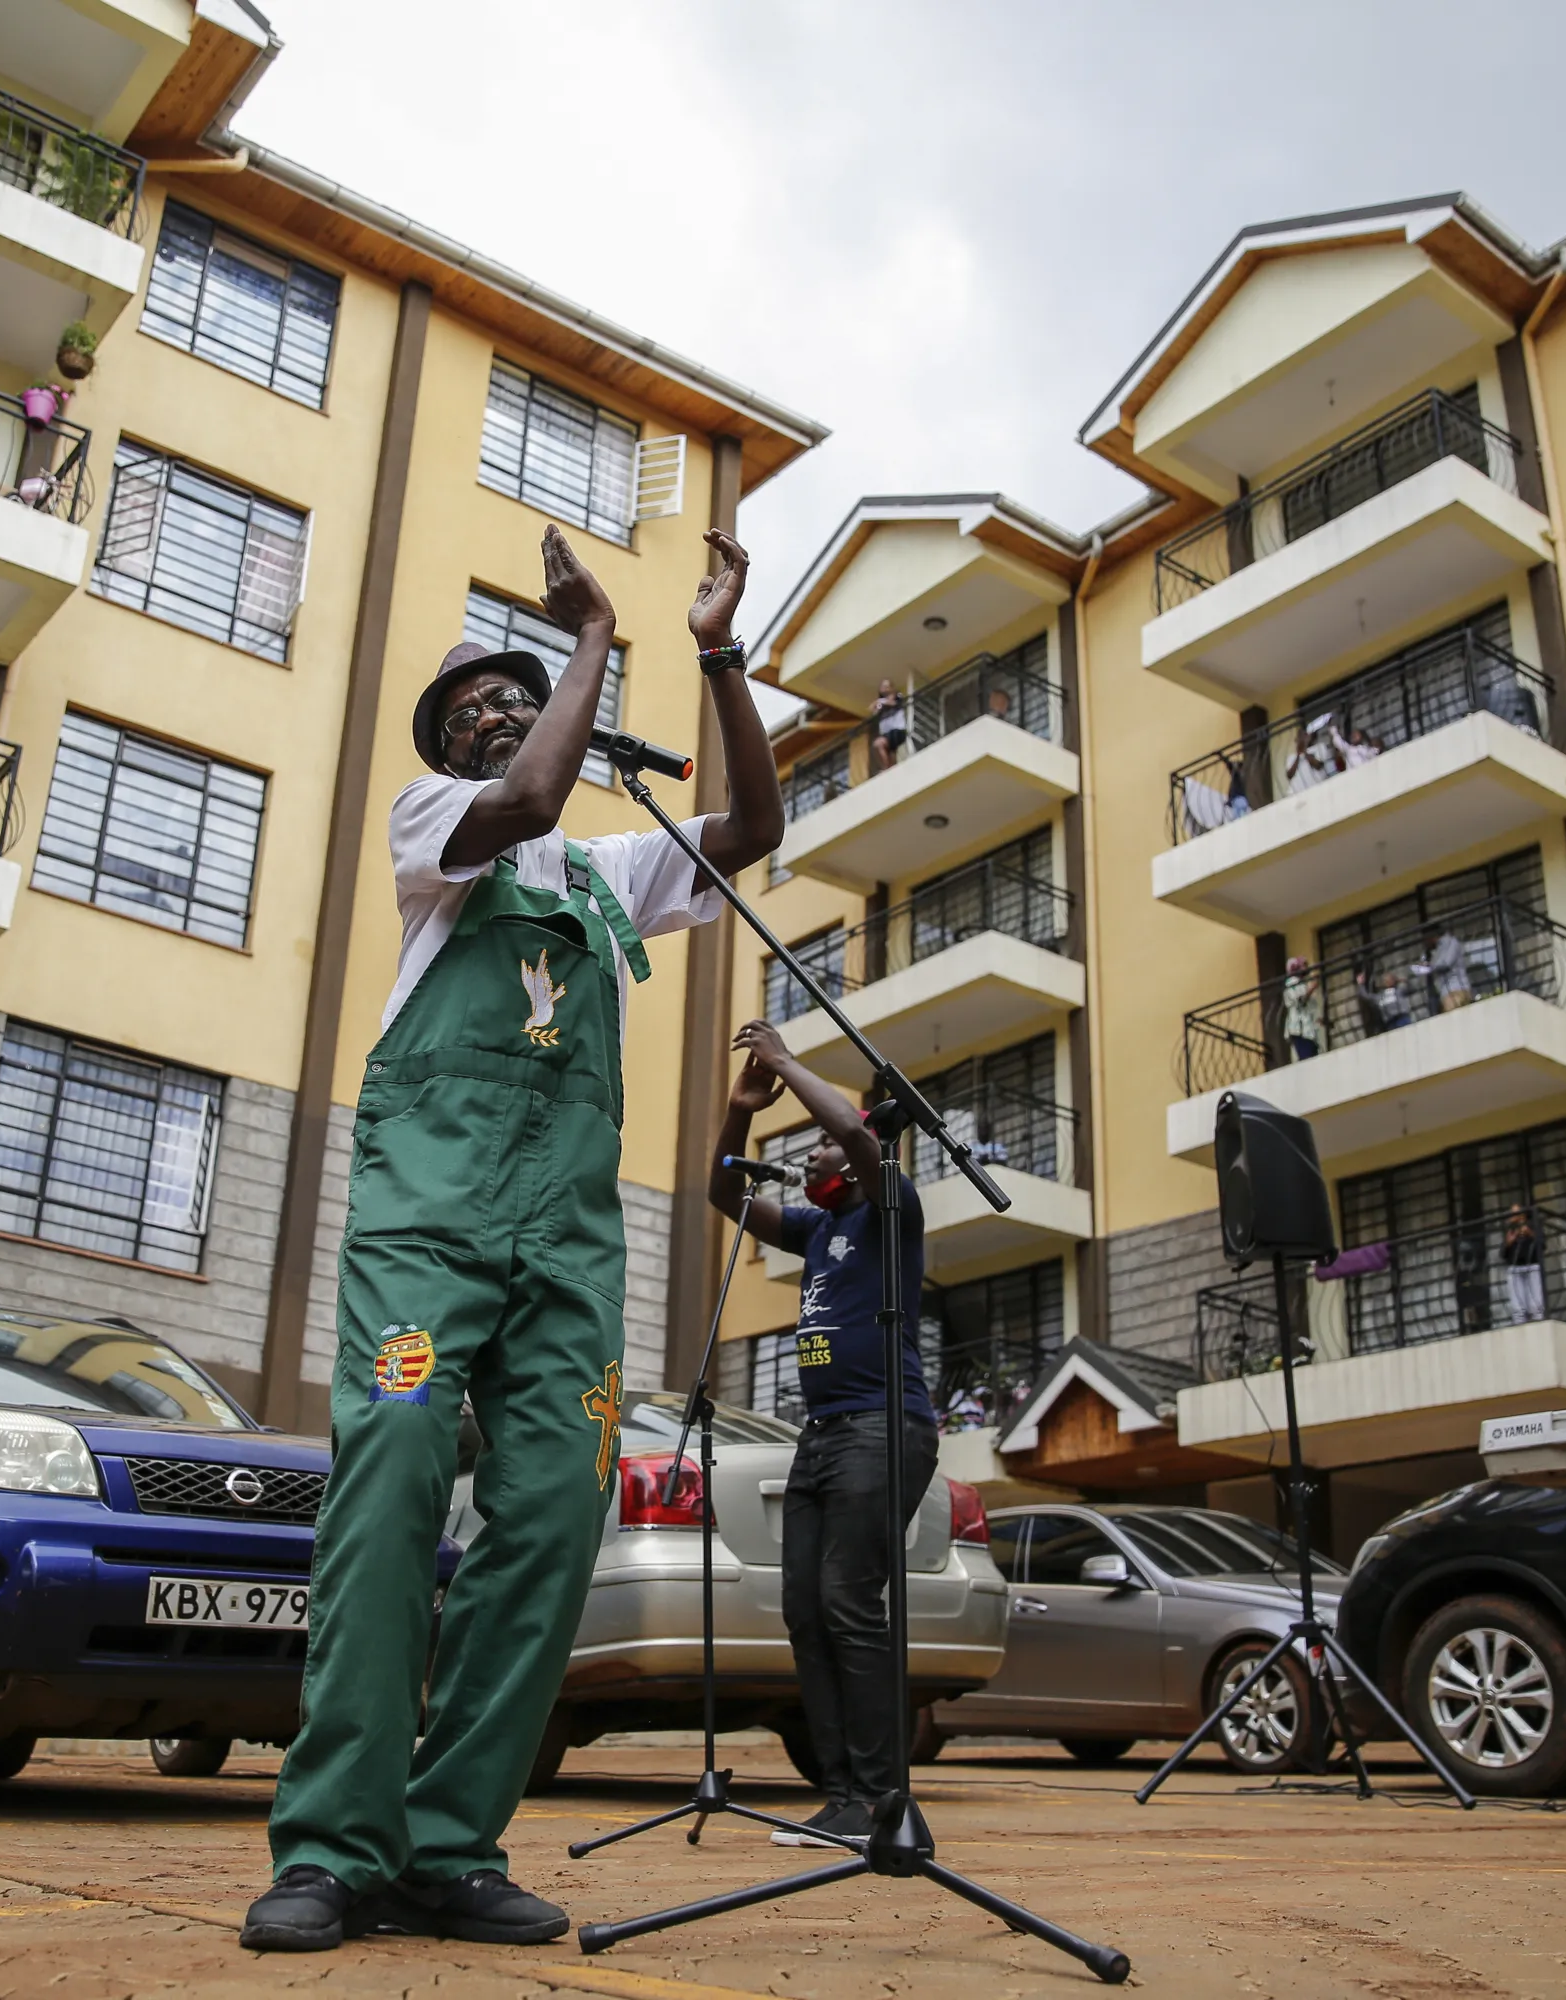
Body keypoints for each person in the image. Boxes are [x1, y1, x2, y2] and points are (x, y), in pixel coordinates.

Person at [245, 524, 782, 1951]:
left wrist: (718, 655)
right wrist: (592, 636)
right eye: (469, 707)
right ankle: (333, 1846)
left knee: (553, 1515)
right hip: (431, 1216)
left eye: (512, 694)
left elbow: (752, 829)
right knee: (394, 1480)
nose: (491, 713)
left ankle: (448, 1844)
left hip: (568, 1237)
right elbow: (532, 786)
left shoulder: (608, 871)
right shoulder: (436, 826)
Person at [708, 1018, 933, 1854]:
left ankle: (882, 1797)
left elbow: (854, 1133)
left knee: (848, 1601)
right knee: (806, 1609)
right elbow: (724, 1195)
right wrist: (741, 1108)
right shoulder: (815, 1231)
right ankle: (841, 1800)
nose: (810, 1156)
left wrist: (788, 1063)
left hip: (884, 1428)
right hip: (823, 1436)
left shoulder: (891, 1207)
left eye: (821, 1148)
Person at [1499, 1204, 1544, 1324]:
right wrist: (1509, 1242)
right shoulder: (1509, 1229)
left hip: (1532, 1266)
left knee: (1536, 1305)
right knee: (1518, 1308)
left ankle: (1538, 1323)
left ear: (1523, 1215)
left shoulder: (1533, 1225)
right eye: (1512, 1214)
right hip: (1515, 1268)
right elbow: (1502, 1254)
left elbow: (1543, 1245)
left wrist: (1530, 1233)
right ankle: (1520, 1324)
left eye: (1516, 1213)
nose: (1514, 1217)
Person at [1280, 955, 1321, 1062]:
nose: (1306, 968)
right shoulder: (1292, 982)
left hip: (1306, 1029)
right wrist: (1312, 988)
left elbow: (1309, 1006)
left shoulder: (1301, 983)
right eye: (1303, 965)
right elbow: (1300, 1001)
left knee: (1312, 1057)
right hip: (1300, 1028)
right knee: (1307, 1058)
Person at [871, 678, 908, 771]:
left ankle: (887, 768)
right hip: (886, 732)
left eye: (887, 686)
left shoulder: (898, 695)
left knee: (881, 745)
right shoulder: (880, 702)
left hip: (898, 729)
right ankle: (889, 768)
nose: (885, 688)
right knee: (885, 748)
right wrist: (876, 706)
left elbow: (895, 703)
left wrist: (882, 702)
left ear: (892, 688)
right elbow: (874, 712)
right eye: (883, 686)